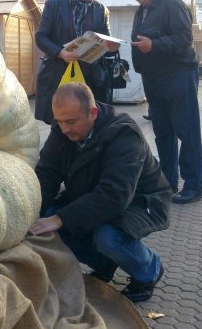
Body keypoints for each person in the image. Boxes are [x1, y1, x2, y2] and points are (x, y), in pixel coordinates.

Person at [31, 83, 171, 303]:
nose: (64, 129)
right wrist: (33, 212)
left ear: (93, 113)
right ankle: (104, 263)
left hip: (141, 199)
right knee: (46, 224)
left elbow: (115, 195)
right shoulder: (62, 132)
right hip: (92, 194)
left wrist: (61, 218)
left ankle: (149, 270)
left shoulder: (125, 134)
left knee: (107, 237)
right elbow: (47, 174)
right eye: (59, 121)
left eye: (71, 122)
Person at [125, 0, 202, 204]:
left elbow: (184, 39)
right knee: (162, 133)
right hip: (153, 79)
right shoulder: (142, 10)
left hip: (178, 75)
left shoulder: (172, 4)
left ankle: (194, 184)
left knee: (186, 131)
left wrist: (155, 45)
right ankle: (168, 182)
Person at [34, 0, 120, 124]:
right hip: (58, 76)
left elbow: (106, 40)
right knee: (59, 123)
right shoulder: (54, 5)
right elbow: (41, 37)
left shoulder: (101, 10)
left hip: (90, 80)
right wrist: (61, 53)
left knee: (88, 124)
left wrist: (111, 47)